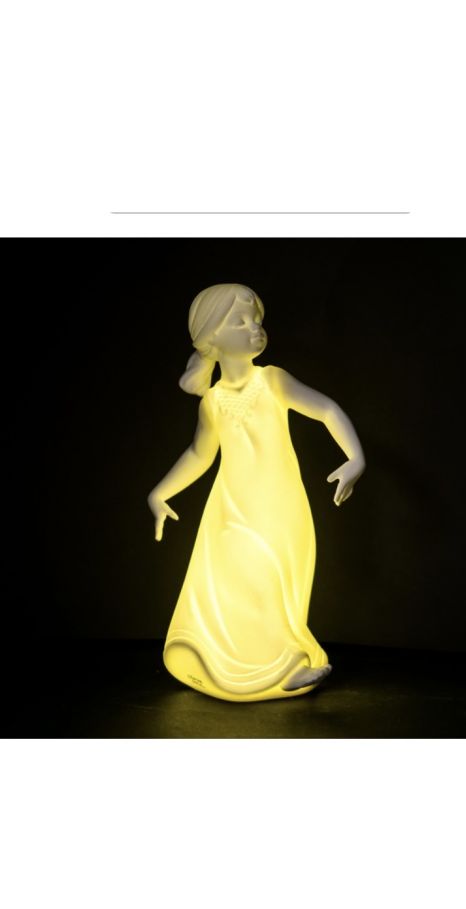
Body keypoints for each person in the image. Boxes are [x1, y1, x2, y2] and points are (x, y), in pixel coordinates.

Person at [147, 283, 365, 702]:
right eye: (240, 321)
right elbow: (199, 455)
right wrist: (160, 493)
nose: (254, 328)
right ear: (212, 338)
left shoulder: (272, 380)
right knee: (240, 585)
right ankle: (258, 667)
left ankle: (288, 663)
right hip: (230, 509)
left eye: (257, 320)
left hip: (280, 508)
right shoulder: (211, 402)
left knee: (276, 582)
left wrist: (355, 457)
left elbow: (325, 409)